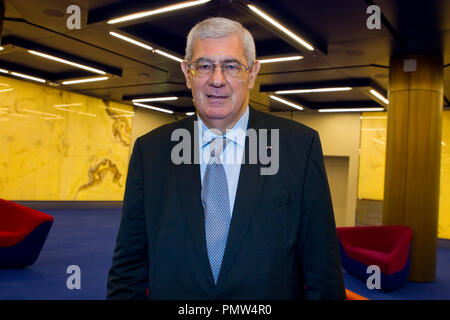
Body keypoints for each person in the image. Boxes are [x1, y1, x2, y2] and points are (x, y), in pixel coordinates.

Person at [107, 17, 346, 300]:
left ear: (253, 73)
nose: (216, 80)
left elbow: (323, 271)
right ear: (187, 72)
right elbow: (128, 268)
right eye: (204, 66)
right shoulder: (151, 152)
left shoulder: (298, 147)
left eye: (231, 66)